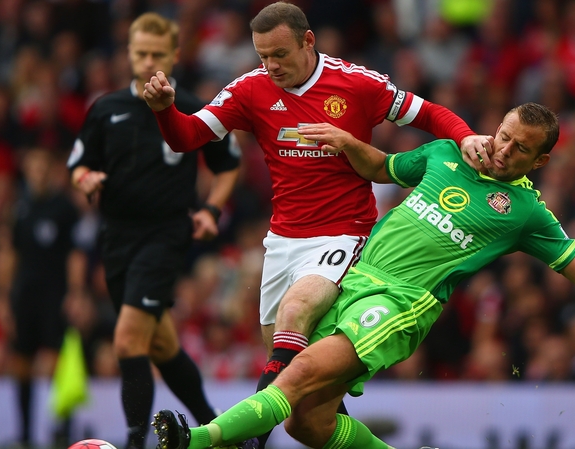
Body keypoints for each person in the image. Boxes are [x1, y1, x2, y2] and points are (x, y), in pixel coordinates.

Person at [150, 102, 575, 449]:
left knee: (294, 378)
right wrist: (349, 142)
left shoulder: (525, 212)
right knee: (305, 422)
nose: (504, 149)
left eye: (521, 150)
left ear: (539, 163)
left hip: (401, 304)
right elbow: (383, 168)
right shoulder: (445, 153)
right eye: (504, 135)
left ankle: (199, 440)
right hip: (355, 279)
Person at [142, 4, 491, 445]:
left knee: (296, 315)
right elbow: (186, 136)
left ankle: (236, 440)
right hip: (283, 240)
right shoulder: (251, 88)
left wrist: (466, 136)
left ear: (309, 42)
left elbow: (429, 114)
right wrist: (163, 111)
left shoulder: (357, 83)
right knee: (304, 400)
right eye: (263, 56)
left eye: (280, 54)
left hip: (346, 233)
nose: (271, 66)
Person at [66, 12, 241, 449]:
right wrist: (84, 178)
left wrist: (211, 211)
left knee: (127, 340)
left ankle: (134, 443)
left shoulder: (196, 107)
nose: (148, 61)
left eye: (157, 54)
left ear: (176, 55)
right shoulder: (106, 109)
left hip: (165, 236)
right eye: (140, 53)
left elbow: (228, 166)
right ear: (127, 53)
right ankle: (220, 433)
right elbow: (79, 164)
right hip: (117, 239)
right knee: (161, 345)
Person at [7, 148, 82, 448]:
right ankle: (24, 435)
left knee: (55, 364)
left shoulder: (64, 208)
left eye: (42, 167)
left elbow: (74, 254)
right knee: (22, 362)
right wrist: (3, 295)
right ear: (26, 171)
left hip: (54, 294)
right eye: (32, 168)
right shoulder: (20, 208)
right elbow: (11, 253)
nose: (36, 173)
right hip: (25, 294)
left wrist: (75, 293)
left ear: (50, 171)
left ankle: (63, 430)